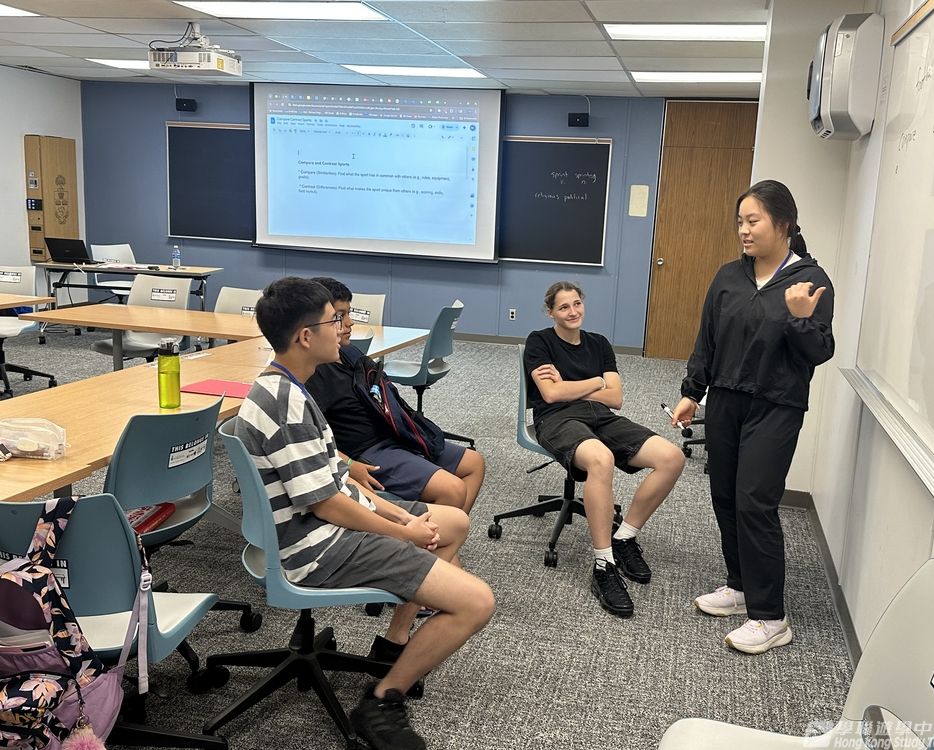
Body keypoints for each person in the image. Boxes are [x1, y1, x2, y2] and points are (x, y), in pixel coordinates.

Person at [235, 277, 494, 750]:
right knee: (477, 602)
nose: (343, 327)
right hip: (316, 546)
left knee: (454, 521)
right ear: (305, 337)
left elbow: (340, 479)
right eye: (333, 320)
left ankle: (393, 644)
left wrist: (402, 518)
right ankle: (381, 701)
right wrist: (405, 533)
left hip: (331, 521)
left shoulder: (292, 387)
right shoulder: (284, 401)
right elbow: (327, 504)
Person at [671, 179, 835, 655]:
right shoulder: (729, 276)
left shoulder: (810, 281)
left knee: (754, 502)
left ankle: (771, 616)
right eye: (740, 221)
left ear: (783, 224)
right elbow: (707, 339)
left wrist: (800, 318)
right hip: (726, 401)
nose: (743, 230)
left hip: (776, 405)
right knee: (724, 494)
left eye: (753, 221)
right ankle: (741, 586)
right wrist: (691, 392)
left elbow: (820, 351)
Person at [523, 281, 685, 618]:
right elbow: (551, 395)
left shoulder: (598, 343)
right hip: (556, 419)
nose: (573, 312)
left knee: (672, 458)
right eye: (564, 307)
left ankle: (624, 536)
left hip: (602, 417)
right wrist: (597, 381)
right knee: (601, 458)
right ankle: (603, 564)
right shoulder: (540, 341)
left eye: (577, 304)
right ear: (550, 312)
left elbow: (616, 398)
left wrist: (571, 385)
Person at [305, 277, 485, 514]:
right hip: (368, 451)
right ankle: (434, 535)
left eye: (348, 313)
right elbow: (312, 440)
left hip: (393, 432)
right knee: (453, 490)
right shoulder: (315, 371)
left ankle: (448, 535)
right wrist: (348, 464)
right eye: (340, 316)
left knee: (474, 464)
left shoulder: (349, 352)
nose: (350, 322)